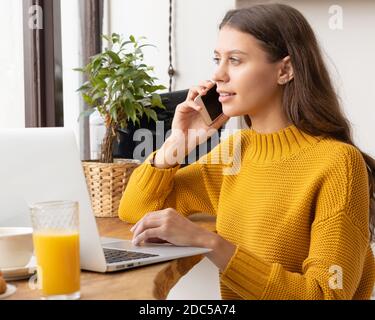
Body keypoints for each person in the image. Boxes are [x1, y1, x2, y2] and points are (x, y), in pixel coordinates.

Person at [118, 3, 375, 300]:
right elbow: (136, 209)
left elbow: (323, 295)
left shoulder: (338, 163)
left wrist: (211, 243)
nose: (219, 74)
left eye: (235, 60)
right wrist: (178, 142)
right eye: (217, 59)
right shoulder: (236, 153)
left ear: (285, 70)